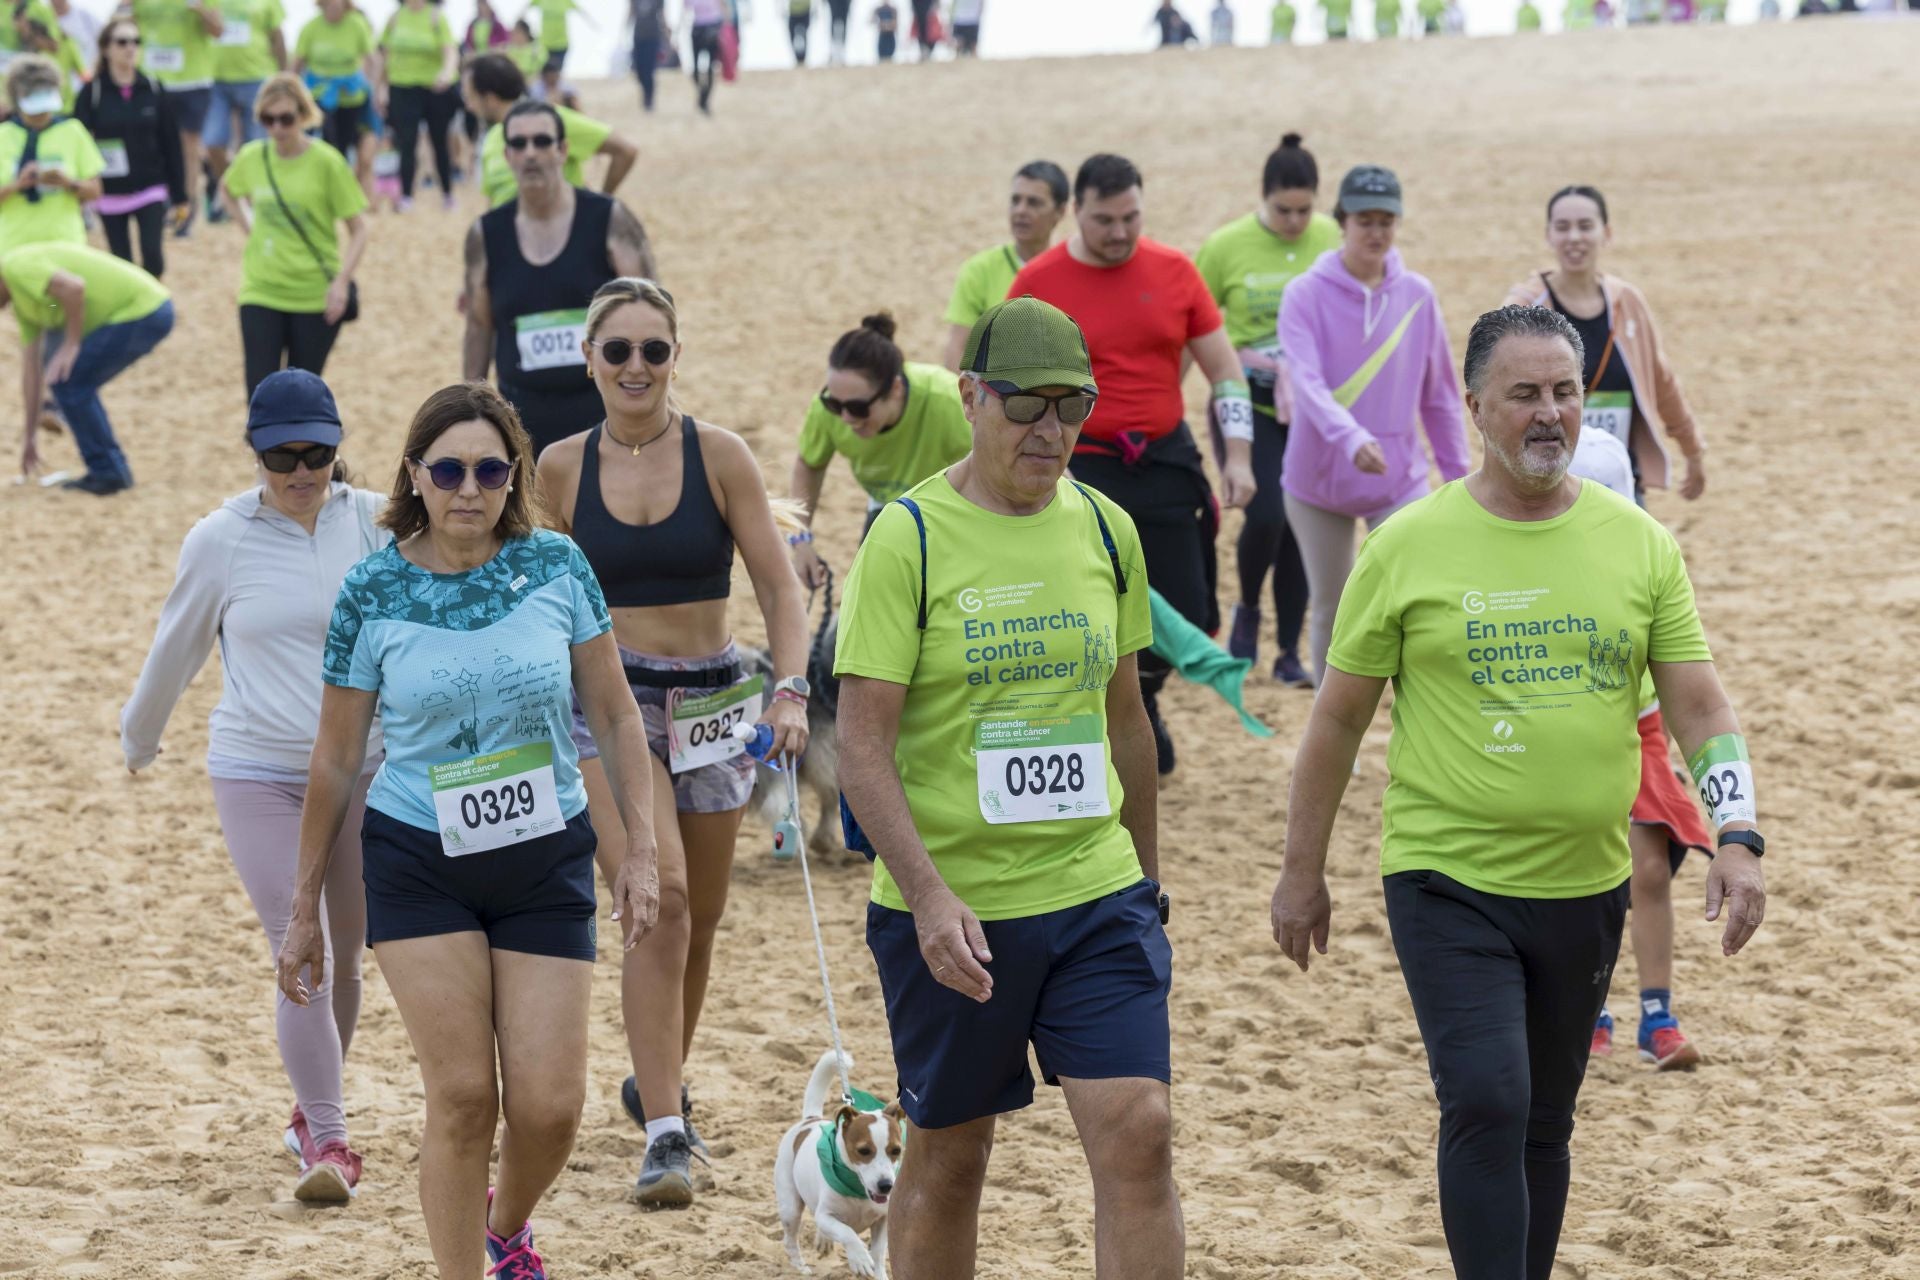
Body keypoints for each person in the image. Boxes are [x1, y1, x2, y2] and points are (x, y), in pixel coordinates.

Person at [1271, 304, 1768, 1280]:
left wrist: (1740, 829)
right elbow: (1336, 719)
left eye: (1567, 391)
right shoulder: (1408, 546)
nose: (1551, 413)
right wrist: (1301, 870)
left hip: (1586, 882)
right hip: (1445, 876)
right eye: (1526, 394)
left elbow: (1701, 705)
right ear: (1474, 407)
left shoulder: (1637, 545)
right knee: (1489, 1097)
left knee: (1544, 1118)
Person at [279, 380, 660, 1278]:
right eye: (447, 468)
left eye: (491, 469)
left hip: (544, 853)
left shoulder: (558, 566)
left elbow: (612, 718)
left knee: (550, 1108)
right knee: (459, 1097)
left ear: (513, 476)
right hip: (420, 858)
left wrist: (638, 850)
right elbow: (335, 758)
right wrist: (303, 908)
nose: (468, 488)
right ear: (415, 473)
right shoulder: (372, 588)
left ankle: (507, 1226)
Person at [837, 295, 1180, 1280]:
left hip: (1093, 888)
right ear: (974, 396)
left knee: (1140, 1128)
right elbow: (863, 747)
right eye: (1027, 405)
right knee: (951, 1157)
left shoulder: (1108, 529)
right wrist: (932, 893)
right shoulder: (909, 537)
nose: (1052, 430)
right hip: (952, 908)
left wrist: (1147, 889)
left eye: (1072, 406)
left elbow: (1126, 722)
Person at [536, 277, 812, 1207]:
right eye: (618, 351)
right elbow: (531, 592)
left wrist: (791, 689)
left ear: (675, 356)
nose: (637, 367)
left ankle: (660, 1077)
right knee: (661, 897)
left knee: (703, 918)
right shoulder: (562, 469)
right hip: (607, 703)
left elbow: (781, 586)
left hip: (715, 699)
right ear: (590, 360)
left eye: (655, 349)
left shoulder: (721, 455)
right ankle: (664, 1132)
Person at [121, 370, 387, 1201]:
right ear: (256, 453)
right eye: (282, 455)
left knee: (349, 953)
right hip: (259, 772)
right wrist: (140, 737)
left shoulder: (377, 523)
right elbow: (177, 647)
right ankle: (333, 1142)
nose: (302, 471)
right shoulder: (218, 539)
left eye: (318, 453)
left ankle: (311, 1111)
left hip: (367, 768)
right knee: (296, 942)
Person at [1009, 153, 1256, 775]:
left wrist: (1240, 457)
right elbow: (1003, 382)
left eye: (1131, 218)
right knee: (1092, 600)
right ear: (1077, 214)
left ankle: (1143, 696)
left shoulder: (1175, 271)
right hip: (1079, 459)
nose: (1119, 232)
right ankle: (1120, 717)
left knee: (1191, 608)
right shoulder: (1039, 281)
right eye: (1104, 220)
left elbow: (1226, 372)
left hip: (1167, 456)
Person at [1276, 163, 1469, 680]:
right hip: (1317, 482)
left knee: (1412, 605)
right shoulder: (1303, 295)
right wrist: (1350, 436)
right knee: (1333, 608)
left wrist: (1460, 481)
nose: (1376, 232)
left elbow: (1441, 397)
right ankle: (1331, 737)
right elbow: (1306, 384)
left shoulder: (1418, 295)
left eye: (1387, 220)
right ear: (1342, 220)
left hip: (1397, 480)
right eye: (1365, 220)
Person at [1567, 423, 1711, 1071]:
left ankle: (1657, 1015)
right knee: (1576, 878)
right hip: (1563, 739)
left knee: (1649, 869)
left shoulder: (1648, 561)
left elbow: (1690, 686)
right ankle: (1585, 1008)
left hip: (1641, 729)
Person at [1196, 132, 1342, 689]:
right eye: (1283, 210)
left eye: (1306, 209)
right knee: (1266, 514)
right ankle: (1249, 609)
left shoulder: (1332, 238)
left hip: (1310, 405)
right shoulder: (1224, 246)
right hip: (1246, 400)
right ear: (1263, 198)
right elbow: (1196, 325)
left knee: (1303, 525)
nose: (1296, 221)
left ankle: (1286, 652)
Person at [464, 100, 654, 455]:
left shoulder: (609, 219)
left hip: (605, 416)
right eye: (519, 144)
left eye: (542, 141)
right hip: (522, 419)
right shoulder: (486, 235)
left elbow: (652, 314)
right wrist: (469, 410)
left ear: (563, 150)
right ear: (507, 156)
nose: (531, 153)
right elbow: (478, 327)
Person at [1504, 185, 1706, 505]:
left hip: (1621, 481)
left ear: (1606, 233)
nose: (1574, 237)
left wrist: (1692, 449)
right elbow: (1500, 392)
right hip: (1549, 487)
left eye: (1585, 226)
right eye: (1562, 227)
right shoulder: (1525, 307)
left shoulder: (1628, 302)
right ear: (1548, 235)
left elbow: (1660, 379)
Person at [788, 312, 972, 586]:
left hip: (955, 511)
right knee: (869, 588)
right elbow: (809, 466)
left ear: (895, 388)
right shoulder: (829, 411)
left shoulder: (947, 402)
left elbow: (998, 468)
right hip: (890, 506)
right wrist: (800, 540)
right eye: (835, 404)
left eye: (858, 408)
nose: (847, 418)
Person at [220, 74, 367, 399]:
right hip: (261, 290)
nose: (276, 129)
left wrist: (342, 281)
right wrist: (250, 229)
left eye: (286, 119)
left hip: (314, 293)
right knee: (259, 396)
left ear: (303, 116)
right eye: (267, 119)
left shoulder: (327, 162)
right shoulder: (252, 156)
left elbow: (359, 229)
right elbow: (227, 190)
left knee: (302, 396)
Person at [0, 241, 174, 492]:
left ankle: (108, 471)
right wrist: (30, 437)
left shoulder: (17, 266)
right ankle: (109, 468)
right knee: (68, 381)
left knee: (70, 381)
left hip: (144, 308)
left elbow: (74, 289)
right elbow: (31, 370)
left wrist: (71, 344)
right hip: (145, 309)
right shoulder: (25, 304)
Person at [76, 20, 188, 277]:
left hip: (150, 187)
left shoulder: (154, 88)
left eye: (136, 41)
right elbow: (78, 141)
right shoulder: (92, 92)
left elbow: (171, 142)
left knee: (153, 255)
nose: (130, 48)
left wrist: (180, 194)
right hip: (109, 191)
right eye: (122, 41)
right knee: (121, 261)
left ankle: (152, 307)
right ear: (106, 48)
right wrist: (82, 188)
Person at [940, 159, 1069, 371]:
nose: (1020, 210)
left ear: (1060, 211)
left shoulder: (1072, 269)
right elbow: (957, 349)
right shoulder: (979, 270)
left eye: (1034, 203)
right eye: (1015, 200)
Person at [465, 52, 635, 210]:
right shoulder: (491, 138)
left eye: (470, 97)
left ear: (490, 99)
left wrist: (598, 206)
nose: (469, 106)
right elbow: (492, 201)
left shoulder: (549, 120)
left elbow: (625, 150)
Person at [131, 0, 221, 236]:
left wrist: (200, 8)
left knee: (188, 149)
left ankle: (187, 211)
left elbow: (218, 31)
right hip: (152, 80)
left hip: (193, 81)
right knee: (152, 146)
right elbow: (119, 29)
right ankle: (160, 204)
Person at [0, 54, 104, 255]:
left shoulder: (72, 131)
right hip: (13, 247)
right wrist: (18, 184)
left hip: (65, 244)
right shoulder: (3, 136)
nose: (40, 114)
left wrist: (67, 182)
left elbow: (95, 191)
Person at [203, 0, 285, 222]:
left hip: (257, 78)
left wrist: (283, 76)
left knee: (255, 146)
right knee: (212, 142)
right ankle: (230, 190)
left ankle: (252, 201)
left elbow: (277, 37)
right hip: (217, 80)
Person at [375, 0, 457, 212]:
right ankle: (406, 196)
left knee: (439, 141)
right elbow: (384, 56)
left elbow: (450, 51)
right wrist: (380, 89)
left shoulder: (436, 17)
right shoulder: (395, 18)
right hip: (401, 87)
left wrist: (447, 73)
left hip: (434, 88)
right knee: (406, 142)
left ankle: (447, 193)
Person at [292, 0, 377, 194]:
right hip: (320, 96)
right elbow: (297, 63)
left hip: (351, 97)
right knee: (327, 139)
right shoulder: (311, 27)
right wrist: (292, 91)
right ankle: (328, 184)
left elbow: (372, 59)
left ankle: (342, 185)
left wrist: (370, 86)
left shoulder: (356, 24)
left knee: (346, 143)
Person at [686, 0, 724, 115]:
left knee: (711, 68)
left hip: (713, 27)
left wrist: (728, 30)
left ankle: (705, 100)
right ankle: (702, 94)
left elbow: (724, 6)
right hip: (697, 28)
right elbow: (684, 11)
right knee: (695, 69)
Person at [629, 0, 662, 109]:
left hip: (653, 36)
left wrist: (668, 35)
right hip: (638, 36)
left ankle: (649, 98)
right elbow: (631, 12)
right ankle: (646, 92)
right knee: (639, 70)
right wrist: (623, 32)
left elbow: (662, 14)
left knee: (649, 70)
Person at [786, 0, 810, 64]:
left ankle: (802, 60)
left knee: (802, 36)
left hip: (805, 10)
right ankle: (798, 60)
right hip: (793, 11)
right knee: (795, 37)